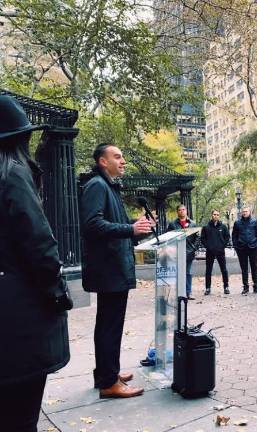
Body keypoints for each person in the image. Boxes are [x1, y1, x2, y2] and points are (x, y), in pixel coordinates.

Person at [0, 96, 71, 430]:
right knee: (22, 417)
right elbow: (40, 247)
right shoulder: (13, 174)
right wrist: (58, 294)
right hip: (20, 320)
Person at [81, 143, 153, 398]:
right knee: (109, 326)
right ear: (103, 161)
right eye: (117, 156)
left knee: (108, 325)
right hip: (108, 269)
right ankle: (109, 383)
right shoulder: (97, 186)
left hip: (113, 268)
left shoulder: (108, 186)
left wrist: (136, 227)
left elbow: (114, 227)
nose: (123, 161)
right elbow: (92, 225)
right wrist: (129, 230)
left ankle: (107, 373)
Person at [167, 204, 200, 300]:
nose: (182, 211)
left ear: (186, 211)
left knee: (188, 272)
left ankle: (189, 292)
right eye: (180, 210)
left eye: (183, 209)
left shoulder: (193, 223)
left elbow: (197, 237)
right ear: (177, 212)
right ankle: (180, 293)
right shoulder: (172, 224)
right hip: (177, 252)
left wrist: (194, 248)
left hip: (189, 252)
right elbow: (169, 237)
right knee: (179, 273)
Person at [232, 206, 257, 294]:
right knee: (244, 269)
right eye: (243, 211)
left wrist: (256, 245)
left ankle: (256, 287)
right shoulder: (237, 223)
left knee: (254, 268)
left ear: (249, 212)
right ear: (241, 213)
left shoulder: (254, 221)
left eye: (246, 211)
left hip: (253, 248)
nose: (245, 213)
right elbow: (234, 236)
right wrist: (236, 246)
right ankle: (245, 287)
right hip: (241, 249)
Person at [201, 209, 230, 295]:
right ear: (211, 215)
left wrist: (222, 246)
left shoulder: (223, 227)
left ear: (219, 216)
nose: (216, 216)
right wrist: (208, 246)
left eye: (217, 214)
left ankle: (226, 287)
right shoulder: (206, 227)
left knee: (224, 269)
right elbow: (202, 238)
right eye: (214, 214)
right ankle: (208, 288)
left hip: (220, 251)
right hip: (210, 252)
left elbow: (227, 237)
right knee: (208, 270)